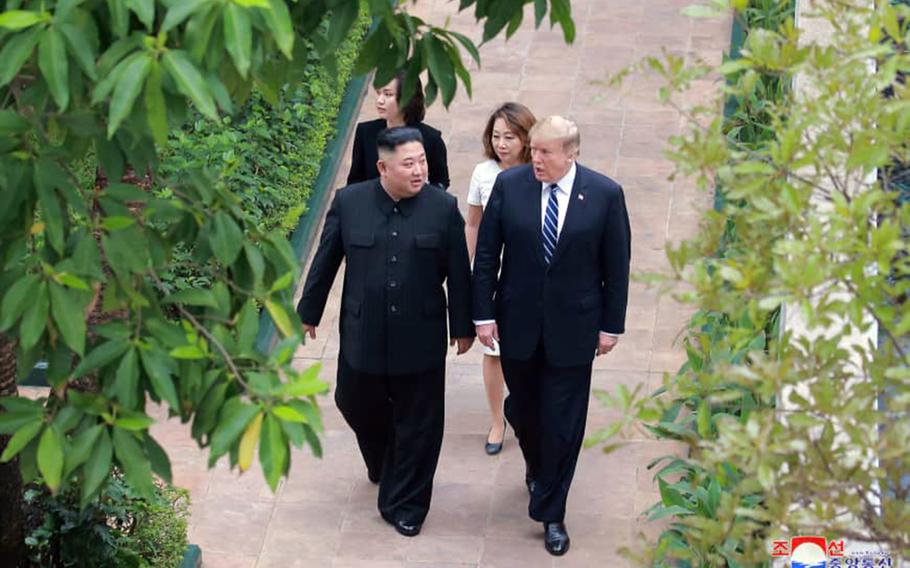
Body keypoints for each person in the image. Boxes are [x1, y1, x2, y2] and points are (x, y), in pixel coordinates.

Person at [297, 127, 474, 537]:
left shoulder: (443, 208)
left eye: (423, 161)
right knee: (352, 400)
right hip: (364, 334)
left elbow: (459, 276)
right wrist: (309, 311)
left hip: (422, 335)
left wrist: (463, 326)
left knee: (420, 423)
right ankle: (384, 458)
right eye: (408, 163)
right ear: (382, 167)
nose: (419, 171)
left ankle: (407, 504)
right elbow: (326, 260)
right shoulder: (350, 202)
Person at [472, 116, 631, 556]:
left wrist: (610, 326)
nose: (535, 158)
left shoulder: (604, 195)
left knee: (563, 425)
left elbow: (616, 268)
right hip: (518, 325)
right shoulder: (511, 187)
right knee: (526, 411)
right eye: (534, 150)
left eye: (545, 151)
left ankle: (551, 511)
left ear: (571, 153)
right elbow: (487, 255)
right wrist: (483, 315)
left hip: (574, 330)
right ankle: (531, 449)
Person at [464, 102, 536, 456]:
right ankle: (497, 420)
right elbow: (473, 223)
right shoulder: (483, 174)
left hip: (528, 277)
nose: (502, 143)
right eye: (496, 136)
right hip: (493, 275)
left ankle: (527, 414)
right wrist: (472, 267)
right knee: (493, 351)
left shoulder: (541, 171)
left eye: (510, 136)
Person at [347, 71, 450, 189]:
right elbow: (354, 181)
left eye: (388, 94)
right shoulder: (365, 132)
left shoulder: (431, 138)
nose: (380, 100)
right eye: (379, 93)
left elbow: (441, 182)